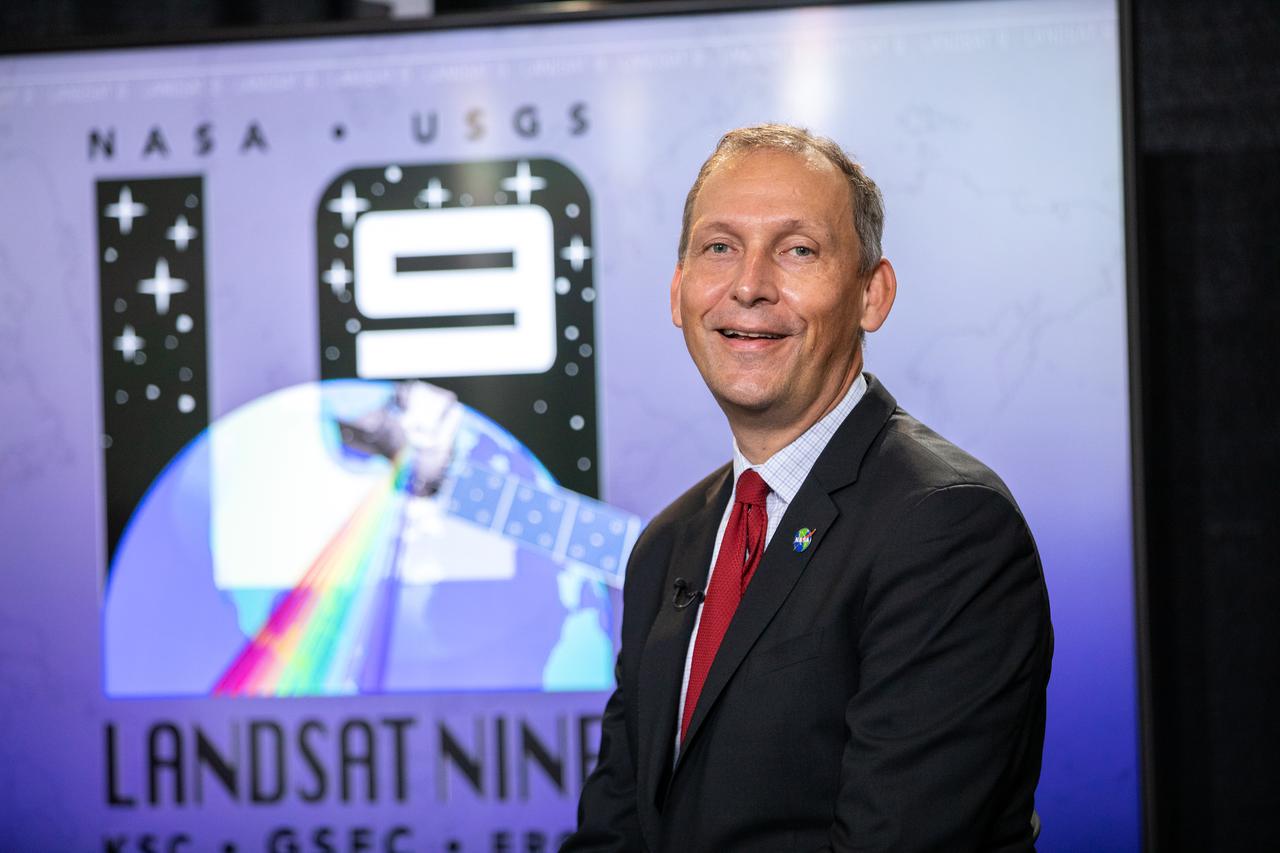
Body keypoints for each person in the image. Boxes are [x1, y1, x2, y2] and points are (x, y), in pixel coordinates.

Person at [562, 124, 1053, 852]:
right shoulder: (666, 546)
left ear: (871, 294)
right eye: (719, 247)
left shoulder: (947, 526)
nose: (750, 285)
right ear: (678, 292)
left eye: (797, 250)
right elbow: (615, 833)